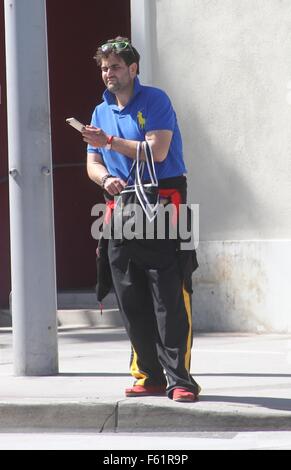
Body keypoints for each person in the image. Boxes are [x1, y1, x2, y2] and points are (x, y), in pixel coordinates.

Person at [83, 36, 200, 402]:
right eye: (104, 68)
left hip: (163, 197)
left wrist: (110, 142)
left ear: (133, 69)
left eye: (115, 66)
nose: (108, 74)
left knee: (168, 290)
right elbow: (92, 161)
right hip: (120, 203)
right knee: (129, 292)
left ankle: (179, 379)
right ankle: (147, 374)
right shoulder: (100, 111)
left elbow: (158, 149)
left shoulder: (155, 100)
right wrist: (104, 177)